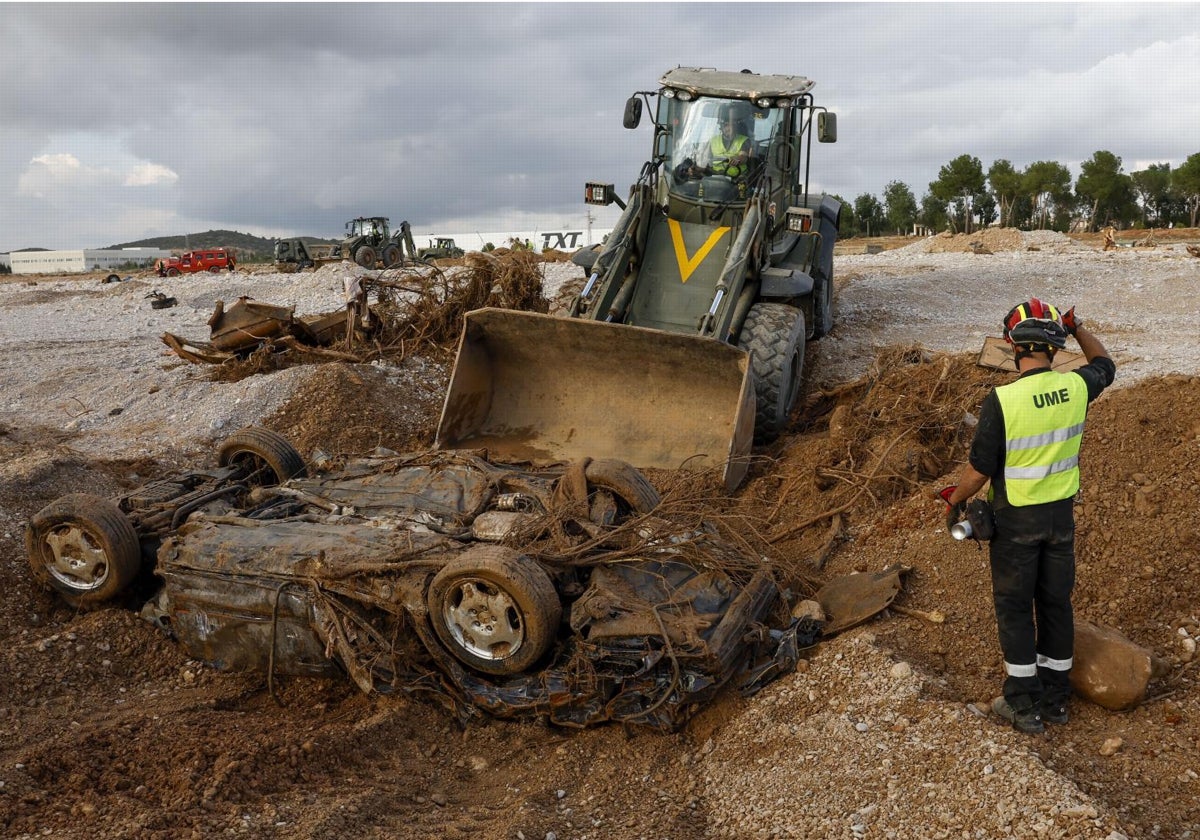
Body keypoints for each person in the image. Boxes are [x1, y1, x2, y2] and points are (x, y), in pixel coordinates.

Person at [939, 299, 1116, 734]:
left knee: (1015, 608)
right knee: (1055, 604)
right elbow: (1106, 365)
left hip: (1016, 521)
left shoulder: (1002, 399)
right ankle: (1055, 700)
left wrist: (952, 500)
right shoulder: (1076, 388)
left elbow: (980, 470)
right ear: (1056, 346)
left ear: (1010, 344)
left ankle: (1022, 703)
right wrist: (1077, 326)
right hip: (1060, 520)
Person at [677, 104, 753, 181]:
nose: (730, 128)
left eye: (732, 125)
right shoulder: (713, 141)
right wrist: (695, 169)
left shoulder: (744, 140)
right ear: (721, 127)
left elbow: (743, 157)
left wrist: (737, 158)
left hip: (737, 179)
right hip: (715, 177)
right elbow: (704, 163)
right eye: (727, 125)